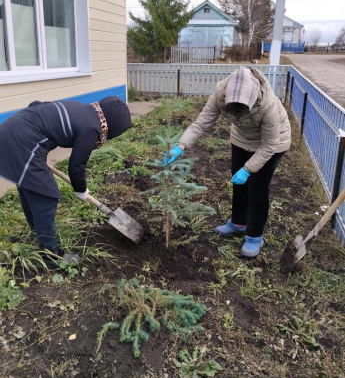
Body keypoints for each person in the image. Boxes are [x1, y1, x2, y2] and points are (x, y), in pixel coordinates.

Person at [164, 66, 291, 257]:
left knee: (257, 187)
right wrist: (181, 145)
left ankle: (255, 236)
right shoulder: (220, 93)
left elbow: (270, 145)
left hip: (272, 143)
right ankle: (239, 223)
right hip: (241, 139)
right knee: (238, 182)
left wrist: (248, 169)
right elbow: (202, 123)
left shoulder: (267, 105)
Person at [0, 96, 132, 268]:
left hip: (12, 130)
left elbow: (38, 105)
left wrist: (38, 153)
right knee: (45, 196)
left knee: (31, 187)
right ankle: (50, 256)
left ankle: (38, 232)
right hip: (21, 142)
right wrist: (81, 190)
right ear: (112, 127)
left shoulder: (81, 108)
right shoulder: (92, 128)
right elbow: (76, 166)